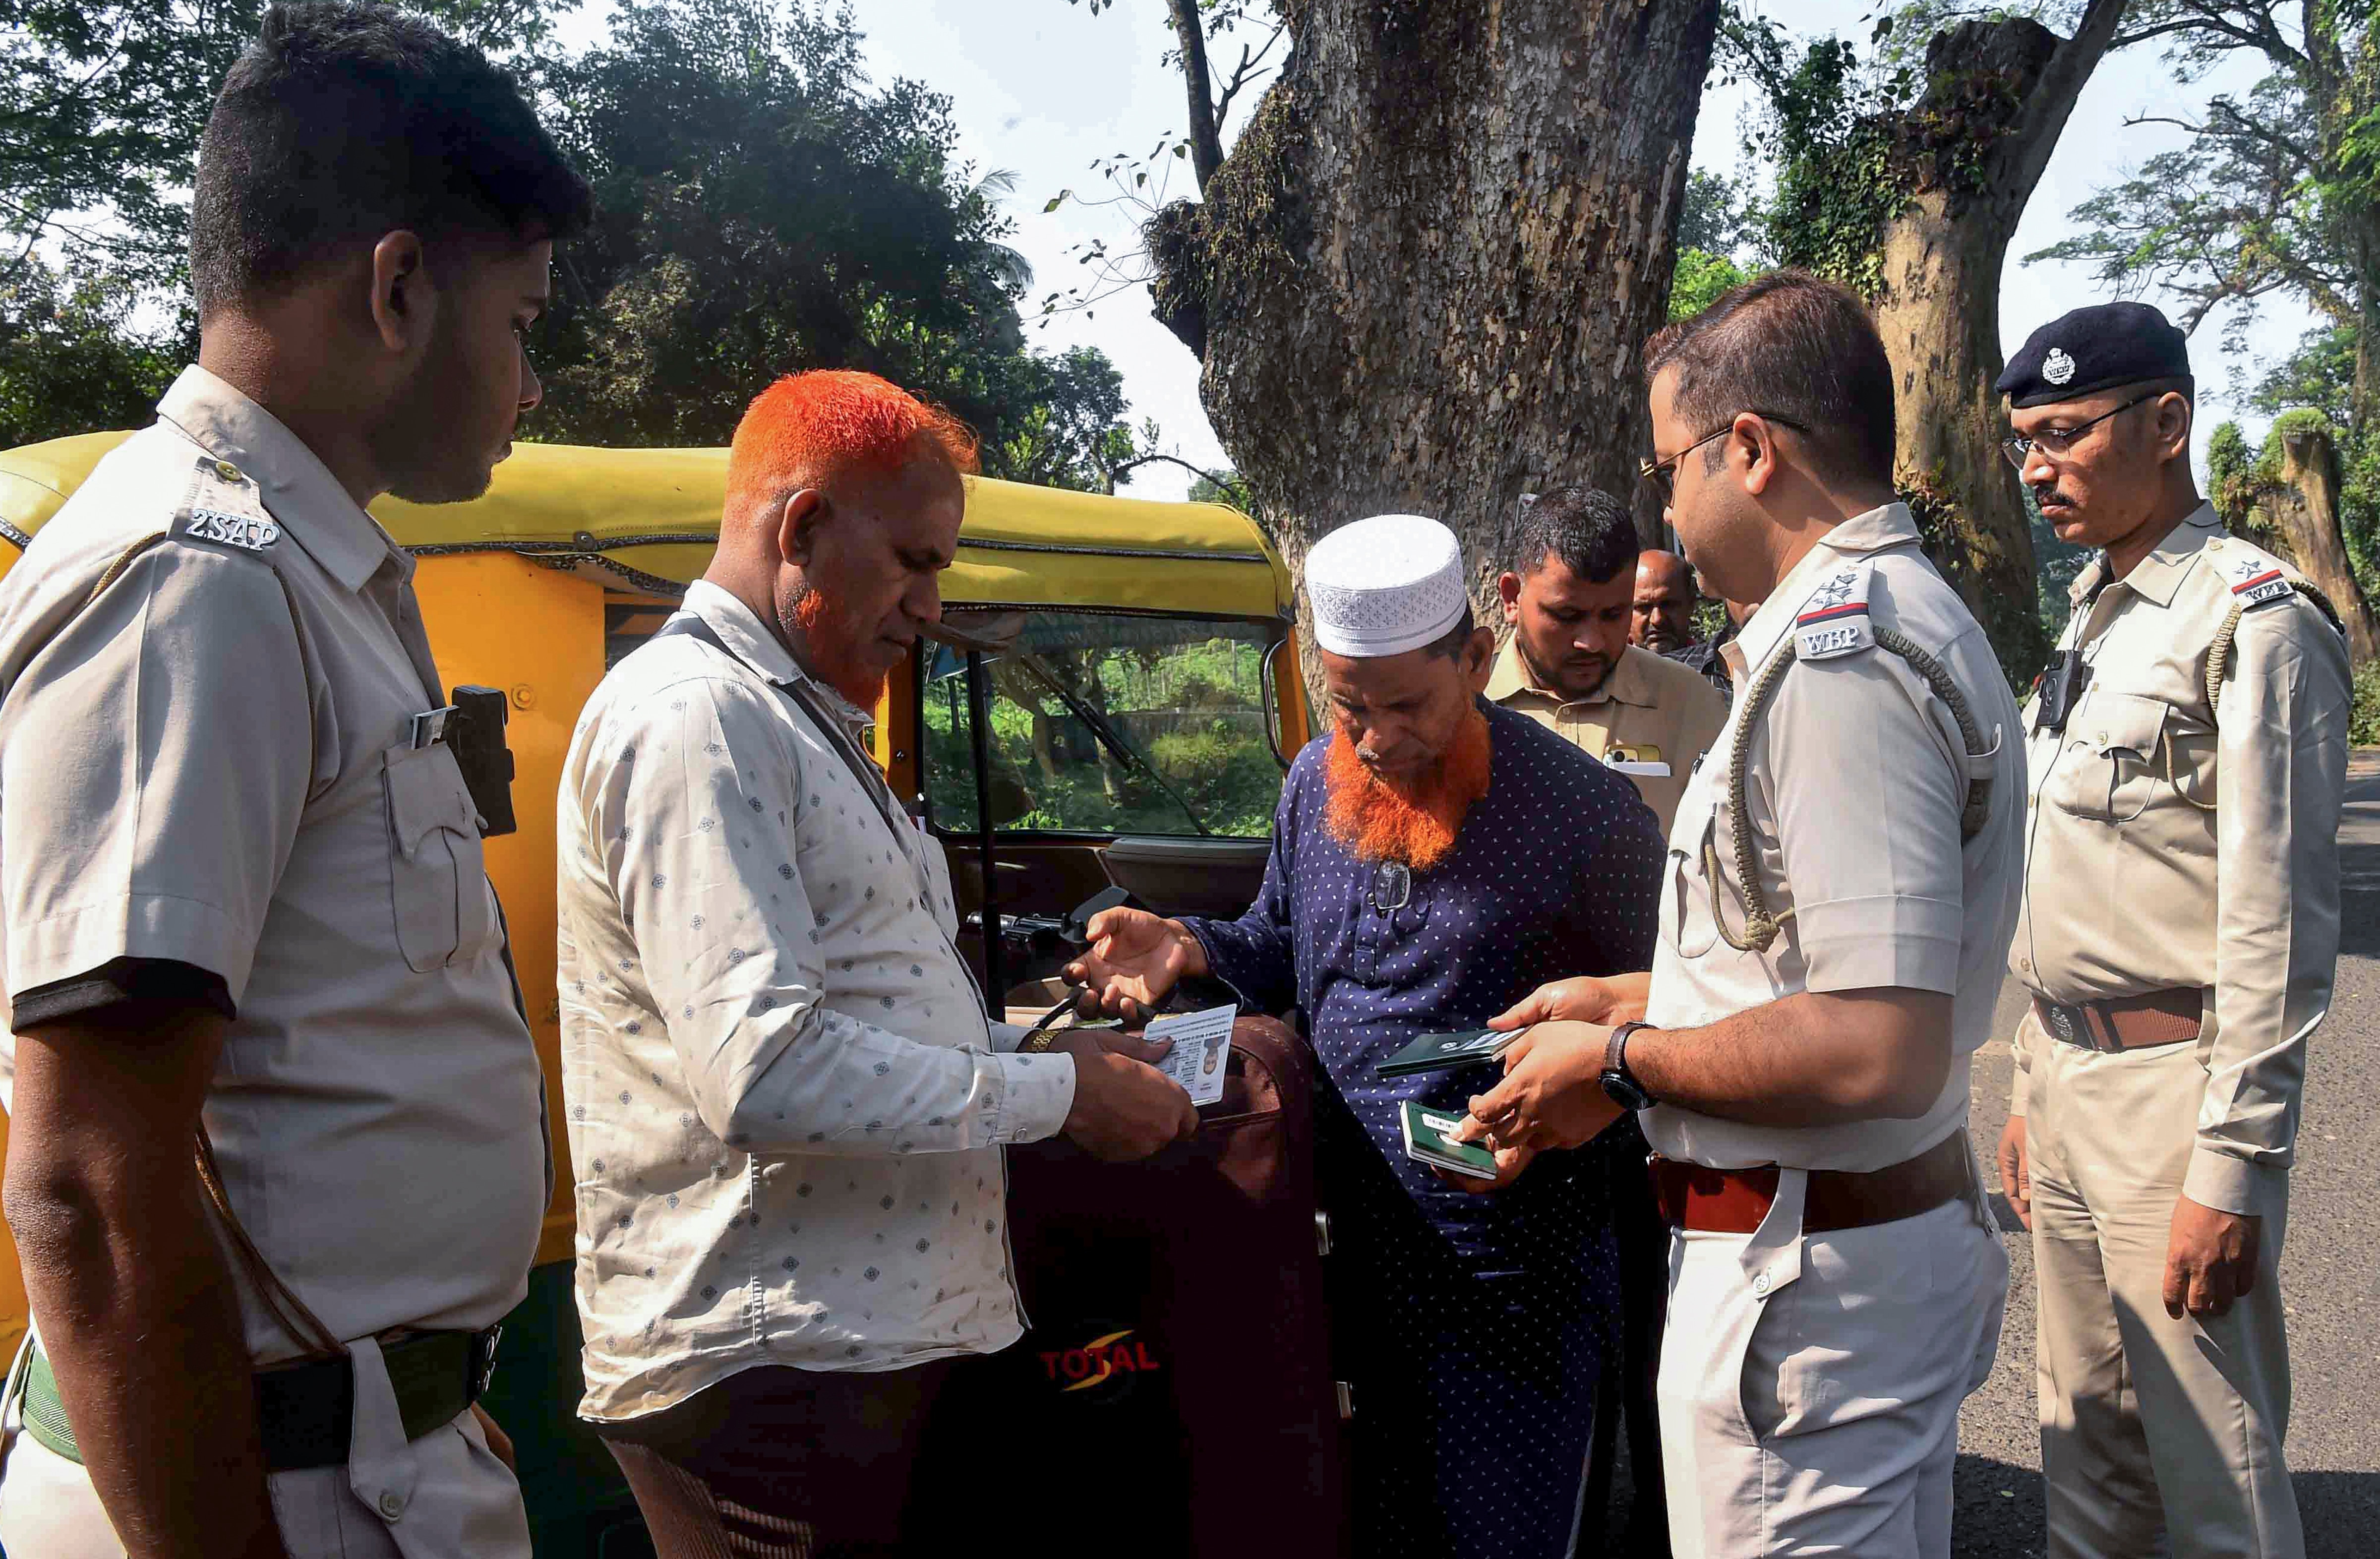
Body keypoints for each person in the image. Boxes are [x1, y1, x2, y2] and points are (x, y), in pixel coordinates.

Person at [0, 7, 592, 1557]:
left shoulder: (309, 573)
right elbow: (91, 1188)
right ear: (398, 289)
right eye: (522, 320)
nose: (529, 381)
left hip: (354, 1460)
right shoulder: (197, 580)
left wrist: (427, 1386)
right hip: (263, 1494)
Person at [554, 369, 1198, 1558]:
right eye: (913, 563)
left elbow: (865, 1023)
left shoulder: (789, 714)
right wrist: (1056, 1095)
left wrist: (1062, 1059)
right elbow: (763, 1069)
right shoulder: (698, 718)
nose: (930, 606)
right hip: (772, 1369)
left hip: (855, 1359)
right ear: (801, 527)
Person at [1457, 271, 2025, 1559]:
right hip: (1833, 1264)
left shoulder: (1842, 665)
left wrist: (1619, 1061)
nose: (1667, 506)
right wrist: (1641, 999)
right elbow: (1807, 968)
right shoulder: (1879, 628)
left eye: (1672, 466)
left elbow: (1875, 1043)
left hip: (1808, 1294)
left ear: (1752, 450)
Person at [1065, 513, 1666, 1559]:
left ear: (1475, 658)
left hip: (1514, 1285)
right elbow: (1282, 944)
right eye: (1350, 707)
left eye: (1405, 706)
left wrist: (1587, 1099)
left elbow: (1665, 1018)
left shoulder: (1588, 815)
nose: (1376, 740)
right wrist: (1187, 946)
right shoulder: (1314, 781)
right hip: (1340, 1262)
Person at [1991, 303, 2348, 1559]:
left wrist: (2232, 1163)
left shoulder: (2251, 620)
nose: (2036, 469)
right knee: (2085, 1459)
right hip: (2068, 1075)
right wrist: (2031, 1078)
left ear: (2167, 423)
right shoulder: (2095, 611)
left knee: (2213, 1477)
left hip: (2172, 1098)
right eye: (2023, 442)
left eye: (2064, 435)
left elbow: (2276, 923)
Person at [1489, 486, 1728, 834]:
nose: (1591, 642)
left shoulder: (1690, 703)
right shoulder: (1460, 704)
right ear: (1512, 598)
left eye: (1614, 614)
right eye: (1567, 615)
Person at [1633, 547, 1702, 653]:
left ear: (1691, 606)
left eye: (1668, 605)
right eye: (1643, 607)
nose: (1657, 620)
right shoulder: (1609, 662)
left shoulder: (1716, 662)